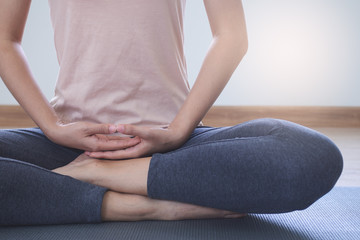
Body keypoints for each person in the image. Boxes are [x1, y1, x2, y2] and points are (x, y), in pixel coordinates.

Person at [0, 0, 343, 226]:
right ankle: (135, 203)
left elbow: (232, 35)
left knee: (311, 156)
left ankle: (92, 177)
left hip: (174, 144)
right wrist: (53, 126)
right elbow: (4, 37)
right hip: (70, 144)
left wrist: (178, 130)